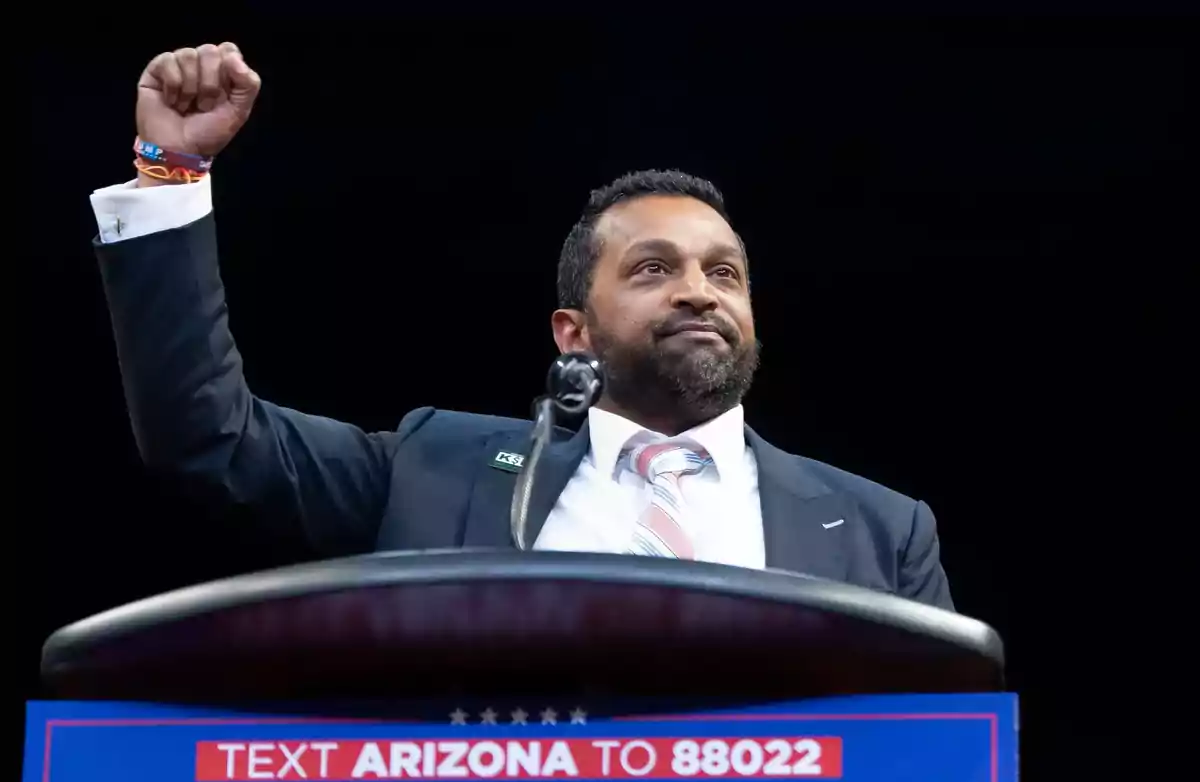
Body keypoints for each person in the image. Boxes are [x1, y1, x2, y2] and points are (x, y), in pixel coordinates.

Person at [90, 42, 954, 610]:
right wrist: (171, 171)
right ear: (570, 332)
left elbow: (938, 749)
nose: (698, 291)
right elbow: (207, 433)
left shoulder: (880, 530)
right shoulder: (436, 469)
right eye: (653, 268)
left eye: (723, 272)